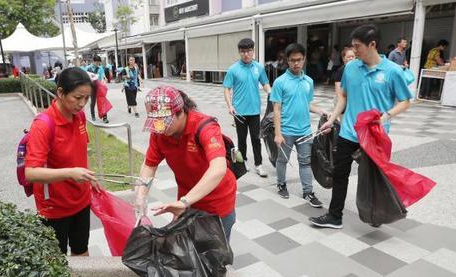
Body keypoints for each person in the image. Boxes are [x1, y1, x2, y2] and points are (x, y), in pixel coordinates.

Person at [309, 24, 412, 229]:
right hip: (349, 131)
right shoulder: (351, 68)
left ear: (372, 44)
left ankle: (377, 213)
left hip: (375, 135)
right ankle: (334, 216)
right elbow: (344, 97)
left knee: (376, 178)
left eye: (357, 46)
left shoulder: (392, 72)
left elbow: (405, 101)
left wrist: (386, 116)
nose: (353, 51)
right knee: (340, 174)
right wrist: (332, 118)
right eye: (353, 47)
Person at [135, 86, 237, 239]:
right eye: (156, 122)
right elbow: (150, 164)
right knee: (187, 251)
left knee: (214, 255)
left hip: (216, 202)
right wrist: (141, 195)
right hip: (186, 202)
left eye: (165, 121)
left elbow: (218, 168)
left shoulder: (205, 126)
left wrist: (184, 202)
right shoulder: (159, 133)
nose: (161, 127)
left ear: (181, 111)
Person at [24, 67, 100, 255]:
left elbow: (80, 152)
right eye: (77, 97)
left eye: (87, 98)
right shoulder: (43, 125)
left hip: (81, 200)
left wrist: (89, 176)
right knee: (56, 259)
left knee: (81, 250)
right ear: (60, 93)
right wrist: (70, 173)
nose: (82, 104)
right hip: (54, 207)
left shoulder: (79, 116)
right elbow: (31, 172)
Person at [270, 43, 327, 208]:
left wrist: (322, 112)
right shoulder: (280, 82)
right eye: (293, 60)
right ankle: (281, 184)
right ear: (287, 60)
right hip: (286, 131)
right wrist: (278, 133)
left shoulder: (308, 81)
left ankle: (308, 192)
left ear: (304, 60)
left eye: (299, 60)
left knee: (305, 162)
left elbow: (308, 104)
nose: (296, 63)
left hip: (304, 131)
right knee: (282, 160)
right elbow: (276, 109)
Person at [223, 38, 271, 178]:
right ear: (239, 52)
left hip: (255, 110)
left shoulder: (259, 67)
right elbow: (226, 89)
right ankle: (243, 161)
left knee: (256, 138)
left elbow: (265, 83)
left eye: (249, 51)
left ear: (253, 51)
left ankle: (258, 164)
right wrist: (230, 105)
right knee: (242, 138)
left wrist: (271, 93)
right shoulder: (233, 69)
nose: (246, 54)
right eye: (243, 51)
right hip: (239, 111)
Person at [87, 56, 109, 123]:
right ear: (93, 61)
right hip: (92, 86)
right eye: (96, 62)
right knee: (93, 101)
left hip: (99, 86)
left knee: (102, 101)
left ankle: (105, 117)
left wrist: (104, 80)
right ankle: (93, 115)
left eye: (98, 62)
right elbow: (86, 77)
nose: (97, 63)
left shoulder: (100, 68)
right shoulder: (88, 68)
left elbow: (102, 76)